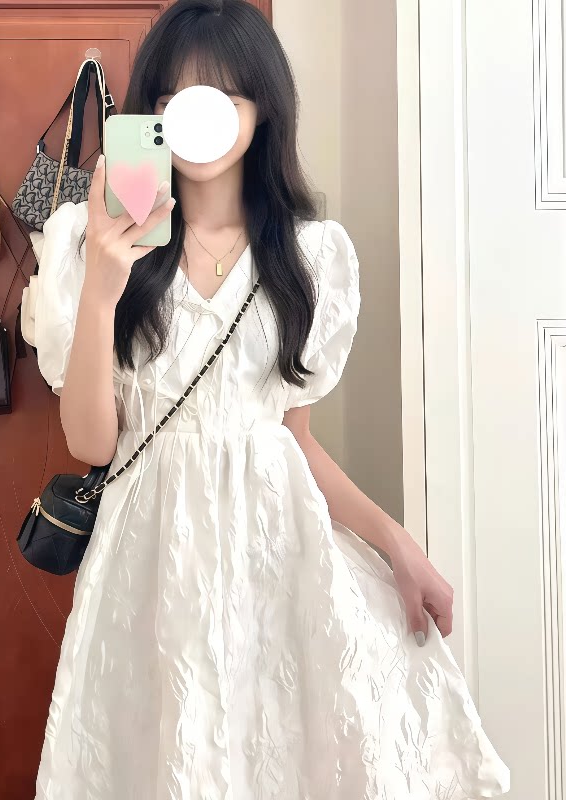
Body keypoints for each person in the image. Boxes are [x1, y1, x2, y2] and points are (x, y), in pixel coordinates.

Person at [32, 1, 511, 797]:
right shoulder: (89, 245)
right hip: (150, 558)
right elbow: (90, 444)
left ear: (262, 110)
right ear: (153, 115)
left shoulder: (308, 259)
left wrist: (396, 543)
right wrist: (102, 289)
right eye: (177, 100)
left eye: (224, 98)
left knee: (276, 755)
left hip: (272, 547)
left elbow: (295, 440)